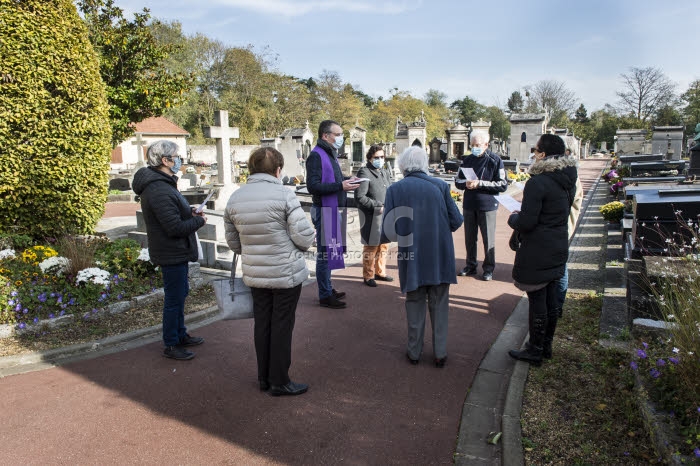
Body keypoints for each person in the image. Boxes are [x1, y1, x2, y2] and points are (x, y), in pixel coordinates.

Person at [224, 147, 315, 396]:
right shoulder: (284, 194)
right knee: (282, 326)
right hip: (285, 272)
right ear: (278, 170)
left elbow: (234, 243)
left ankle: (264, 377)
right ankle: (280, 380)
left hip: (256, 273)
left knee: (262, 324)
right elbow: (303, 236)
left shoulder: (235, 198)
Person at [381, 146, 463, 367]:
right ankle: (440, 352)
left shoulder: (395, 189)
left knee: (414, 301)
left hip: (412, 254)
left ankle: (414, 351)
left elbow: (388, 232)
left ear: (403, 165)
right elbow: (457, 220)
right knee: (440, 302)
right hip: (439, 253)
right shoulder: (440, 186)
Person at [132, 140, 207, 361]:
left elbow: (173, 213)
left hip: (175, 251)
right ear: (165, 160)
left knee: (180, 294)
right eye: (176, 157)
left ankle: (180, 334)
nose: (179, 160)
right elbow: (174, 228)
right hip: (170, 251)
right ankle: (172, 343)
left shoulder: (163, 183)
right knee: (174, 299)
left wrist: (189, 211)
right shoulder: (158, 188)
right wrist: (198, 222)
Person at [507, 134, 578, 365]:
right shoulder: (568, 177)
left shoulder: (538, 182)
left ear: (543, 155)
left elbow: (528, 222)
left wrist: (514, 220)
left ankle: (534, 349)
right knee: (550, 300)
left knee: (537, 300)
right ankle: (546, 345)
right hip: (558, 243)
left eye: (535, 150)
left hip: (538, 248)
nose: (533, 154)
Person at [306, 120, 361, 309]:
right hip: (324, 209)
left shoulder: (330, 153)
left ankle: (328, 287)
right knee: (324, 254)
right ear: (325, 135)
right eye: (337, 134)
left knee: (331, 252)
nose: (340, 138)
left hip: (333, 208)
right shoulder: (316, 155)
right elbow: (312, 186)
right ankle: (324, 294)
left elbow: (335, 180)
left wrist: (348, 180)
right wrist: (341, 186)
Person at [454, 131, 507, 281]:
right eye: (472, 145)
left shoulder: (495, 161)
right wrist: (466, 184)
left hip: (487, 205)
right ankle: (470, 265)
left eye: (478, 145)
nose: (474, 148)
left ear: (486, 145)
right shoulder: (467, 160)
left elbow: (503, 184)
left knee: (487, 238)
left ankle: (488, 268)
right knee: (470, 238)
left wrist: (480, 183)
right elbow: (458, 181)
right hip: (470, 204)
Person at [355, 144, 393, 287]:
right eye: (377, 157)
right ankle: (368, 275)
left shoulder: (384, 172)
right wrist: (377, 205)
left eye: (382, 157)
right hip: (372, 216)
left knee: (383, 246)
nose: (380, 159)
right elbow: (360, 197)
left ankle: (380, 272)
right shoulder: (364, 172)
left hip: (386, 216)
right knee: (371, 247)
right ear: (370, 158)